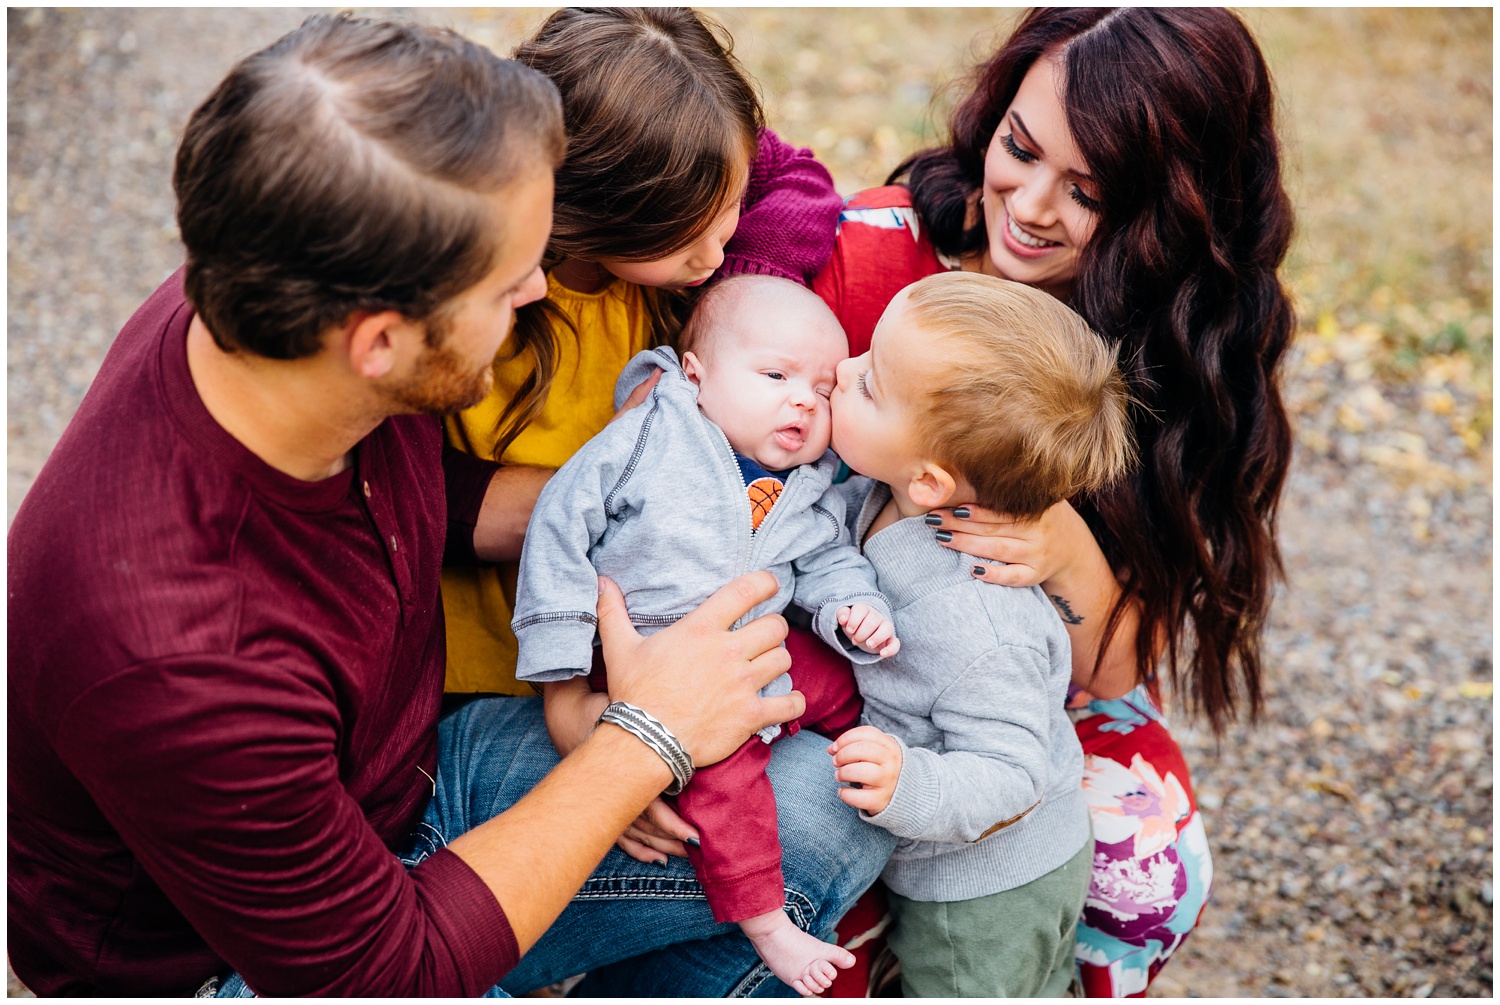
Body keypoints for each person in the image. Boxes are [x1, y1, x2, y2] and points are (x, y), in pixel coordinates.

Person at [6, 14, 891, 997]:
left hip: (405, 767)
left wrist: (646, 501)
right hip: (253, 962)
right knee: (798, 829)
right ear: (381, 342)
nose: (540, 291)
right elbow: (384, 972)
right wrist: (647, 737)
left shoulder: (285, 277)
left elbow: (427, 493)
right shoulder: (177, 655)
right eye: (512, 285)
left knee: (841, 800)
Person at [813, 7, 1295, 995]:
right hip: (838, 648)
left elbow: (1116, 664)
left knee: (1146, 863)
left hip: (1025, 686)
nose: (1028, 206)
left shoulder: (1174, 352)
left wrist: (1063, 540)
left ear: (1176, 213)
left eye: (1088, 192)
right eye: (1018, 149)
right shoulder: (880, 261)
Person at [441, 7, 845, 702]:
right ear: (592, 212)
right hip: (520, 666)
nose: (712, 254)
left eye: (730, 210)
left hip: (682, 635)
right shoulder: (490, 307)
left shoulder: (689, 227)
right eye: (687, 240)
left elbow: (798, 176)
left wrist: (737, 299)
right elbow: (427, 500)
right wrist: (647, 466)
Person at [513, 276, 898, 995]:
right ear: (695, 377)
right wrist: (559, 657)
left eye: (821, 390)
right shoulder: (653, 436)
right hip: (653, 658)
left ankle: (876, 750)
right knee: (726, 778)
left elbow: (826, 556)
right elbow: (561, 523)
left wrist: (853, 605)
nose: (802, 401)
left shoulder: (806, 483)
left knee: (844, 677)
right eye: (776, 376)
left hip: (756, 651)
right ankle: (762, 915)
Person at [826, 272, 1130, 996]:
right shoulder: (883, 486)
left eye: (868, 382)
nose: (840, 367)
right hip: (962, 862)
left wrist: (909, 784)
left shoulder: (977, 619)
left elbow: (1011, 773)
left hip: (988, 887)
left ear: (931, 482)